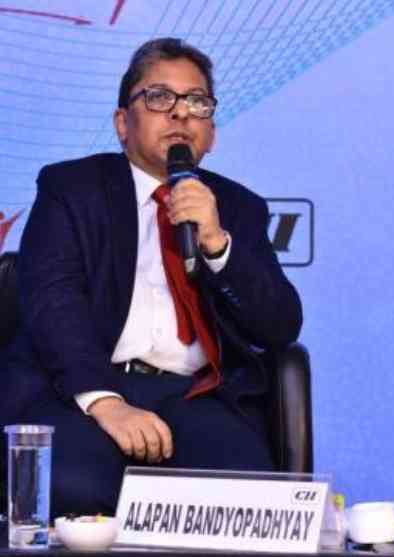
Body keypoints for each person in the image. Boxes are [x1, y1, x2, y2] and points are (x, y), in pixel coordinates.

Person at [0, 38, 302, 517]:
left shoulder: (239, 208)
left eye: (197, 102)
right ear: (123, 123)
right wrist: (107, 403)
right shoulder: (71, 189)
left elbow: (280, 324)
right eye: (159, 98)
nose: (181, 114)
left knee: (248, 500)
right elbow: (54, 305)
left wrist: (218, 244)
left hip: (195, 396)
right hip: (82, 391)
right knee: (74, 489)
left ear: (212, 132)